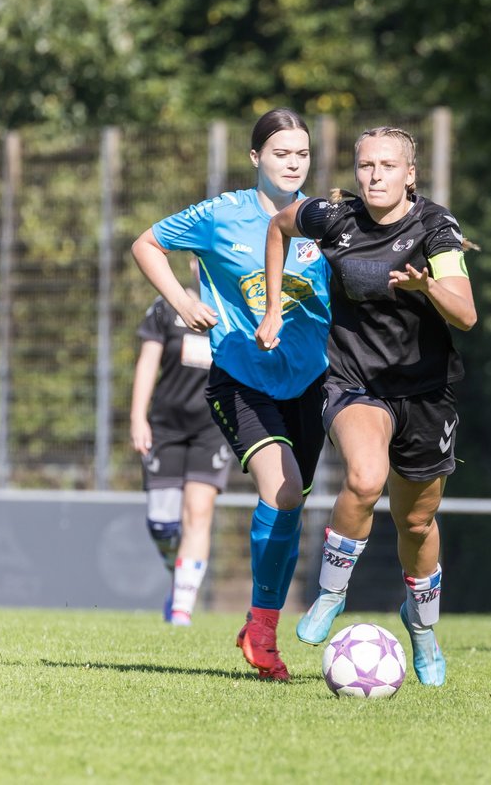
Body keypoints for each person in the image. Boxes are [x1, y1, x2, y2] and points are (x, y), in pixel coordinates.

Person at [256, 126, 477, 687]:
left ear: (410, 174)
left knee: (417, 521)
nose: (374, 176)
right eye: (365, 166)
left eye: (387, 166)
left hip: (426, 394)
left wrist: (428, 288)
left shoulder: (436, 227)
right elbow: (279, 227)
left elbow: (467, 315)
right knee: (364, 476)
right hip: (354, 382)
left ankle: (422, 630)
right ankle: (331, 595)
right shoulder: (333, 218)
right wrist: (274, 308)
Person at [131, 108, 331, 682]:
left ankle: (258, 620)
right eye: (281, 154)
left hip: (311, 383)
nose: (293, 164)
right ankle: (264, 634)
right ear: (255, 159)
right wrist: (182, 301)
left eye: (302, 154)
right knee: (285, 488)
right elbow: (146, 243)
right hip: (241, 378)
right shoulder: (221, 215)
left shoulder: (322, 220)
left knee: (290, 507)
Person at [129, 262, 232, 628]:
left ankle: (181, 610)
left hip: (212, 428)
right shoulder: (164, 308)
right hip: (166, 428)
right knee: (162, 523)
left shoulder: (234, 309)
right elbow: (147, 365)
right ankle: (180, 576)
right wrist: (137, 417)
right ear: (192, 264)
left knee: (198, 512)